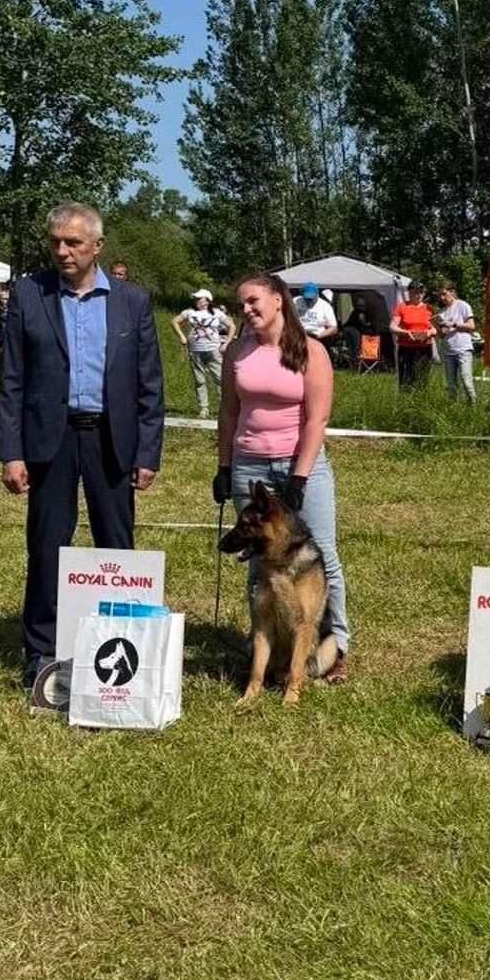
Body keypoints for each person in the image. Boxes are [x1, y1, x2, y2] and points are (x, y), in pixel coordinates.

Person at [0, 202, 164, 690]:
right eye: (55, 243)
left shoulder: (133, 301)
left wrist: (147, 452)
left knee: (117, 547)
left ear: (98, 246)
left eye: (73, 242)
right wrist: (11, 451)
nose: (63, 251)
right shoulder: (30, 294)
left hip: (113, 440)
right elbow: (12, 382)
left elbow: (149, 385)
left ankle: (123, 646)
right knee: (47, 546)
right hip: (50, 439)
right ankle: (42, 653)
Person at [214, 272, 350, 682]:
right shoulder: (237, 351)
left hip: (299, 465)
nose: (247, 310)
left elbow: (317, 418)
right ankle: (263, 649)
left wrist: (300, 477)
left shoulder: (310, 351)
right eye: (241, 305)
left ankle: (336, 645)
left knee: (322, 554)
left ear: (278, 300)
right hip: (249, 465)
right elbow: (229, 413)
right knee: (258, 561)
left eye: (253, 301)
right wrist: (224, 466)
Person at [171, 288, 236, 418]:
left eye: (200, 298)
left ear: (207, 300)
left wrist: (227, 342)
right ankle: (203, 408)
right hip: (195, 350)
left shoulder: (217, 313)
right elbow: (174, 321)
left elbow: (232, 326)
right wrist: (182, 337)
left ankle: (224, 408)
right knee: (199, 380)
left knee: (219, 379)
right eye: (196, 299)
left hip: (213, 349)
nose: (197, 301)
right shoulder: (189, 312)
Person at [434, 280, 477, 405]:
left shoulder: (463, 305)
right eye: (439, 295)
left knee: (466, 381)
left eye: (444, 294)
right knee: (451, 385)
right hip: (447, 351)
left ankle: (473, 407)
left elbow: (471, 326)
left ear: (452, 292)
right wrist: (437, 326)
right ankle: (454, 408)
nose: (442, 297)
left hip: (463, 349)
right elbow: (442, 335)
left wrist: (453, 324)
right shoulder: (442, 311)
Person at [390, 280, 436, 389]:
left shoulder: (429, 308)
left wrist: (429, 333)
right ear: (409, 293)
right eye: (416, 292)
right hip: (406, 347)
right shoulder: (402, 307)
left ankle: (420, 399)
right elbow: (392, 326)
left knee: (423, 376)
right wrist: (406, 332)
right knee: (406, 376)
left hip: (424, 347)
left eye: (421, 292)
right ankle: (405, 400)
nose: (419, 295)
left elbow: (435, 329)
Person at [341, 293, 376, 368]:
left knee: (350, 348)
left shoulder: (354, 311)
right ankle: (357, 365)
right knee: (357, 347)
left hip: (346, 329)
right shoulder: (361, 312)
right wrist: (368, 324)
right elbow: (362, 320)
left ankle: (352, 365)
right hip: (353, 330)